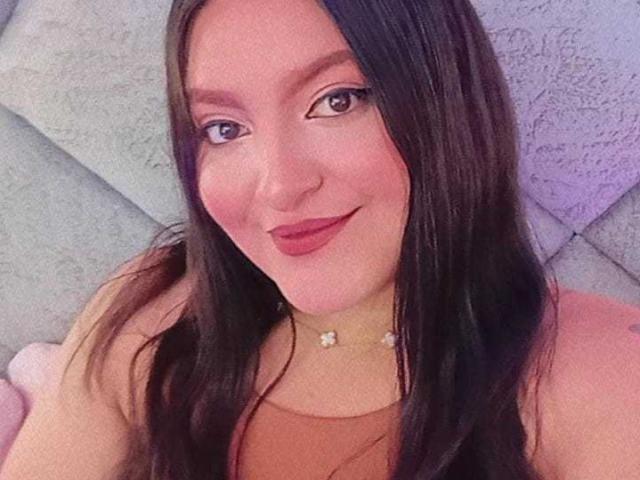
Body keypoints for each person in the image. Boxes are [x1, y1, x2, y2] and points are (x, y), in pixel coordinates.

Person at [2, 0, 640, 479]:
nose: (280, 188)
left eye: (338, 100)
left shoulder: (602, 372)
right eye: (224, 128)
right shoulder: (154, 313)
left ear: (446, 103)